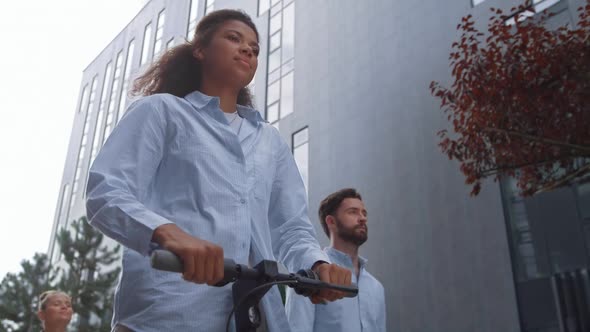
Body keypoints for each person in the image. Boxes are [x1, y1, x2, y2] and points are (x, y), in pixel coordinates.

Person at [85, 9, 351, 332]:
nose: (248, 50)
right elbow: (106, 191)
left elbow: (290, 227)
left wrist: (316, 264)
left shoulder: (270, 141)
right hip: (163, 315)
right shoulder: (162, 112)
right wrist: (168, 234)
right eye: (234, 38)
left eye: (254, 48)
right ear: (200, 50)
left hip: (252, 318)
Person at [285, 188, 387, 331]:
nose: (363, 218)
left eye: (364, 213)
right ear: (331, 221)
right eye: (353, 212)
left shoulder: (376, 288)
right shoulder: (311, 274)